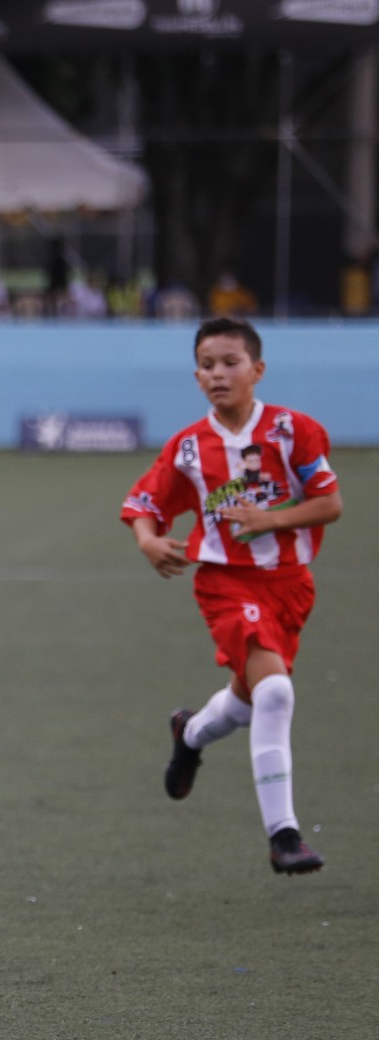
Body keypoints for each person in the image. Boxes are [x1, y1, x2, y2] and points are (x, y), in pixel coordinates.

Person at [121, 317, 342, 875]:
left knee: (248, 700)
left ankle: (190, 733)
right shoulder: (189, 449)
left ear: (257, 370)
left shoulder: (295, 432)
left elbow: (329, 504)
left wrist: (274, 518)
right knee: (275, 696)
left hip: (291, 584)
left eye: (229, 362)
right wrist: (148, 542)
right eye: (206, 365)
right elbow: (146, 504)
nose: (217, 373)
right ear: (197, 376)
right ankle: (284, 835)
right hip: (224, 583)